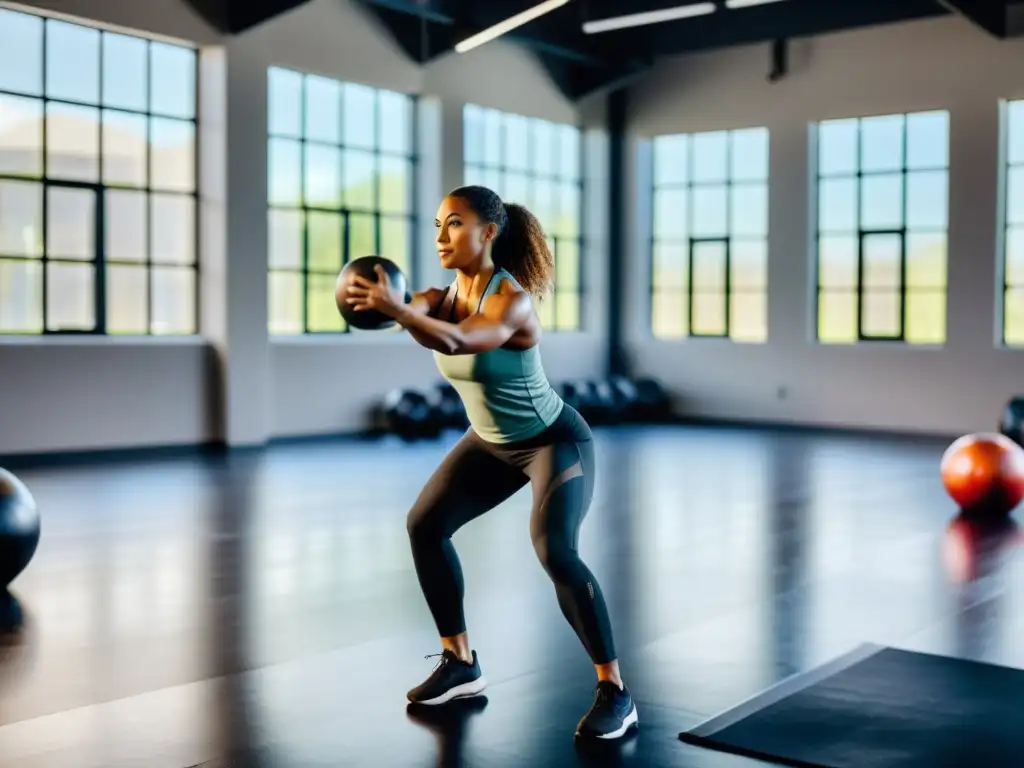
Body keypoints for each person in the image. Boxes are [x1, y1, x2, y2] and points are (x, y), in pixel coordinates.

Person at [344, 185, 638, 741]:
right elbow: (430, 317)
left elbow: (459, 341)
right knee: (424, 526)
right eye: (436, 225)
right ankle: (460, 663)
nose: (439, 237)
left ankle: (616, 692)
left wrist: (399, 310)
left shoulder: (512, 302)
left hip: (553, 440)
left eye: (453, 224)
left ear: (489, 232)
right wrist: (388, 306)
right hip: (488, 442)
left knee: (556, 551)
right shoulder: (437, 296)